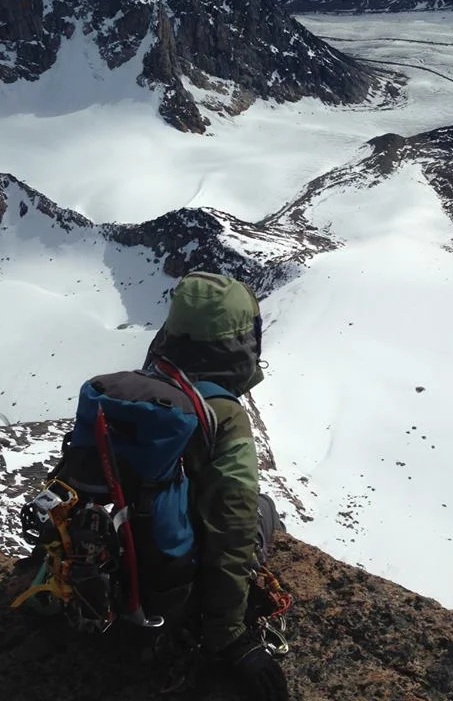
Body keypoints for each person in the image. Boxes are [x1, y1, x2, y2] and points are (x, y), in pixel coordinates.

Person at [142, 271, 289, 701]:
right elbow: (235, 526)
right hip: (170, 588)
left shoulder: (137, 388)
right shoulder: (223, 414)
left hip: (114, 572)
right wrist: (228, 636)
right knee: (262, 508)